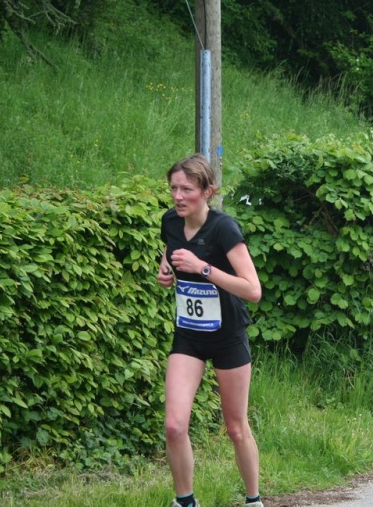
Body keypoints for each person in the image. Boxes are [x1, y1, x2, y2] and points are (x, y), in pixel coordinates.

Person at [157, 155, 264, 507]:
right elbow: (170, 253)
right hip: (189, 334)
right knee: (174, 425)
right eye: (173, 188)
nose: (178, 196)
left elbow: (252, 290)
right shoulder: (171, 221)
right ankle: (185, 501)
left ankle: (253, 500)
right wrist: (166, 273)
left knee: (235, 428)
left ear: (207, 191)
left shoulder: (224, 228)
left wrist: (203, 268)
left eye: (186, 189)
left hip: (227, 335)